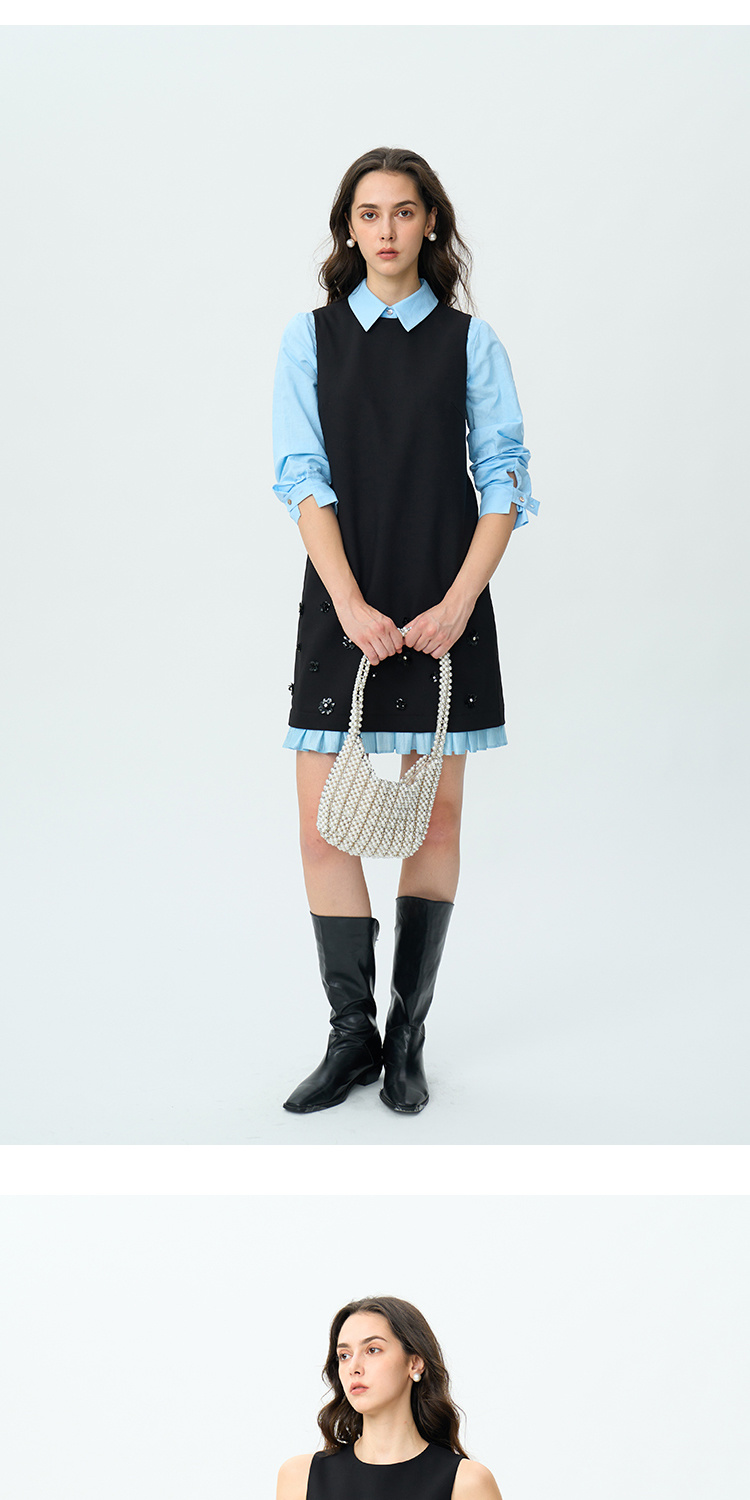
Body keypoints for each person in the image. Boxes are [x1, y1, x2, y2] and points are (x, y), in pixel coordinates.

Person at [272, 147, 538, 1116]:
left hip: (442, 597)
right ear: (349, 228)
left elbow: (505, 479)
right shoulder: (309, 339)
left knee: (437, 820)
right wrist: (347, 602)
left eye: (404, 211)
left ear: (431, 223)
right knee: (322, 828)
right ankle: (350, 1036)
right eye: (369, 212)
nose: (386, 230)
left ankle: (406, 1035)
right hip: (343, 599)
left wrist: (460, 602)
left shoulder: (471, 343)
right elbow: (302, 477)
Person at [276, 1295, 503, 1500]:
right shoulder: (300, 1477)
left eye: (372, 1350)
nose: (353, 1367)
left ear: (415, 1363)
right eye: (344, 1355)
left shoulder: (467, 1483)